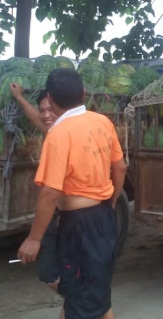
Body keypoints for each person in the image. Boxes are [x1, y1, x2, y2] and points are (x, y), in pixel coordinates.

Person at [17, 68, 127, 319]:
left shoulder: (59, 134)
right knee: (90, 294)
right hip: (103, 219)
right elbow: (120, 167)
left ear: (51, 100)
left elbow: (50, 193)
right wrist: (109, 204)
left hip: (79, 228)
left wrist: (34, 239)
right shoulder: (103, 122)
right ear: (84, 93)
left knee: (83, 299)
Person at [10, 83, 61, 292]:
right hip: (54, 213)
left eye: (51, 109)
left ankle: (84, 301)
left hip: (63, 214)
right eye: (43, 110)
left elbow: (50, 192)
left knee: (51, 273)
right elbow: (38, 119)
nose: (46, 114)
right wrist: (20, 98)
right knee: (52, 274)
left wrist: (33, 238)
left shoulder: (65, 135)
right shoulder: (53, 131)